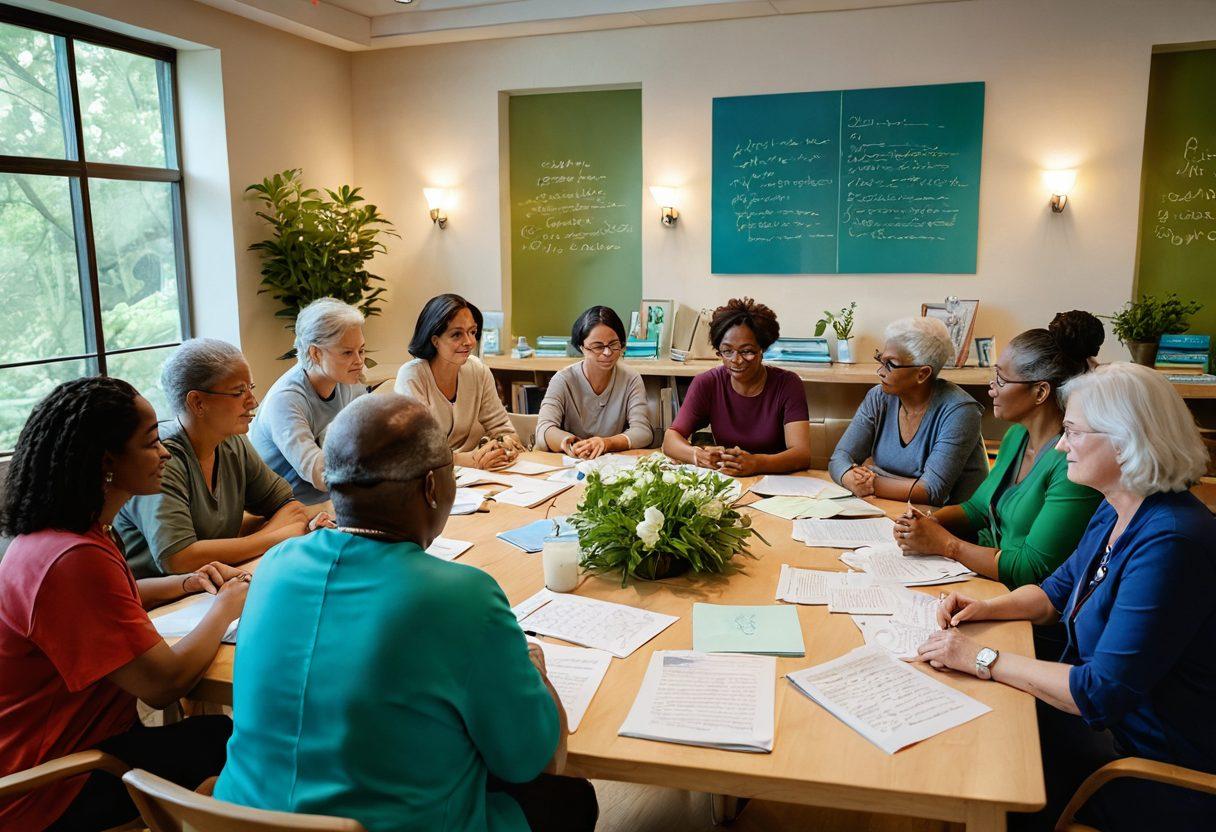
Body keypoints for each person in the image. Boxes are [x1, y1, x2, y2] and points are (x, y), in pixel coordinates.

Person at [214, 394, 598, 832]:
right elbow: (533, 761)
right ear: (433, 487)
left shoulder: (276, 565)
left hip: (241, 820)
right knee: (570, 799)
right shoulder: (463, 596)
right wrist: (536, 671)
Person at [916, 363, 1215, 831]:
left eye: (1072, 431)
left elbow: (1101, 692)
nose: (1060, 444)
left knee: (983, 763)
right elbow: (1056, 592)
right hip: (1103, 727)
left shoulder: (1173, 542)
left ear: (1125, 438)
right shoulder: (1117, 502)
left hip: (1152, 763)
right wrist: (986, 608)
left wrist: (982, 658)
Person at [0, 377, 249, 832]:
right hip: (51, 789)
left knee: (218, 738)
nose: (166, 454)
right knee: (240, 740)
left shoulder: (54, 537)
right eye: (151, 443)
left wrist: (186, 582)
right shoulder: (74, 560)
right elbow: (163, 685)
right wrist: (225, 607)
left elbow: (112, 595)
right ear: (106, 462)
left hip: (39, 753)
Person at [893, 320, 1104, 588]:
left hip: (1019, 599)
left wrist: (944, 543)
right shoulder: (1017, 436)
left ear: (1040, 391)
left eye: (1002, 380)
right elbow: (978, 508)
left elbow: (1032, 569)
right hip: (982, 576)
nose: (991, 387)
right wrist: (928, 522)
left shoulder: (1071, 464)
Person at [115, 339, 326, 579]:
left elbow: (290, 507)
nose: (253, 402)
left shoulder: (232, 441)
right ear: (197, 402)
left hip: (212, 587)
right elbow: (179, 559)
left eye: (251, 388)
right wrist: (275, 536)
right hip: (163, 604)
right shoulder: (162, 458)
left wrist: (263, 536)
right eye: (239, 392)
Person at [829, 316, 988, 506]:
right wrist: (847, 476)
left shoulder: (960, 411)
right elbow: (839, 457)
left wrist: (869, 481)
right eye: (881, 359)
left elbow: (931, 491)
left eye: (891, 364)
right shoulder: (879, 397)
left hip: (947, 523)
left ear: (922, 374)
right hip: (894, 509)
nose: (880, 371)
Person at [662, 297, 813, 476]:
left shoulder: (787, 384)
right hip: (728, 480)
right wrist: (698, 455)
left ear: (762, 350)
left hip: (776, 483)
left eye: (747, 351)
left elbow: (801, 454)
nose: (736, 360)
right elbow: (670, 440)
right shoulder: (708, 383)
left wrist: (757, 463)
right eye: (727, 351)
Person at [250, 297, 367, 504]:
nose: (358, 361)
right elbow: (318, 472)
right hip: (287, 513)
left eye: (361, 350)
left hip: (332, 504)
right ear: (315, 353)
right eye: (347, 352)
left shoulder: (348, 381)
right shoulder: (285, 400)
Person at [395, 294, 524, 470]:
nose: (470, 342)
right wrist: (471, 460)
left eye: (472, 332)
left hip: (478, 477)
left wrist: (500, 446)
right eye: (457, 334)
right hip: (431, 480)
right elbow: (420, 452)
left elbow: (505, 432)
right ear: (435, 341)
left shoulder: (478, 370)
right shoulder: (412, 376)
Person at [535, 305, 653, 457]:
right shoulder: (563, 380)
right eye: (598, 346)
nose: (607, 352)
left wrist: (606, 443)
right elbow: (544, 428)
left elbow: (643, 431)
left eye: (613, 344)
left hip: (612, 465)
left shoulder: (631, 379)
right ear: (582, 347)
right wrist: (571, 444)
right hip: (569, 463)